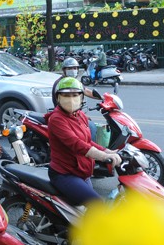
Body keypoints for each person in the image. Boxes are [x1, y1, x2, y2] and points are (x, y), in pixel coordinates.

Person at [47, 77, 122, 205]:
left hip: (82, 171)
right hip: (64, 174)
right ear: (58, 98)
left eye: (75, 95)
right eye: (65, 95)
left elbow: (87, 141)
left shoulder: (80, 115)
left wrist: (107, 150)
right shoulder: (56, 119)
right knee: (97, 205)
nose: (71, 99)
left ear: (82, 97)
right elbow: (77, 144)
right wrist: (104, 157)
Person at [52, 57, 101, 140]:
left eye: (74, 68)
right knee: (91, 127)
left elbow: (86, 91)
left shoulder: (74, 82)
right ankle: (88, 149)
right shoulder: (62, 83)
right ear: (64, 70)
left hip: (74, 113)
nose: (72, 70)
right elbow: (68, 105)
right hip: (65, 114)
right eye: (69, 68)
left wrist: (103, 97)